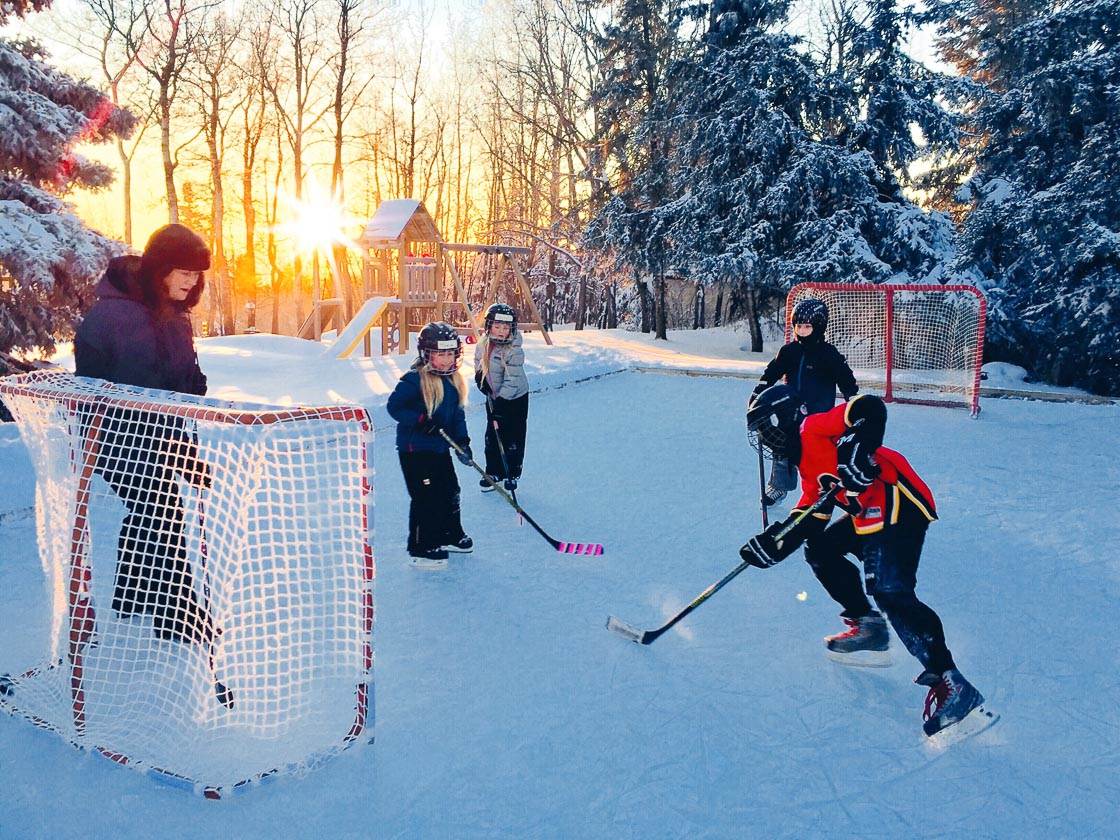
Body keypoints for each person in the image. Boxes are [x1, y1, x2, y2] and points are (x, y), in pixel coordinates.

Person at [739, 385, 991, 740]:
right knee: (821, 549)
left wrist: (857, 444)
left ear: (784, 417)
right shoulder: (809, 471)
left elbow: (869, 407)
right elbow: (810, 516)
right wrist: (774, 544)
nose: (764, 439)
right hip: (871, 515)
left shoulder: (813, 427)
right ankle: (867, 625)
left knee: (889, 589)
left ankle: (952, 681)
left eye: (766, 428)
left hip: (898, 497)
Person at [74, 225, 222, 677]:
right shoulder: (112, 315)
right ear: (159, 269)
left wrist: (192, 398)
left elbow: (178, 380)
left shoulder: (175, 313)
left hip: (164, 432)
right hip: (117, 434)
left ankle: (132, 597)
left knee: (150, 511)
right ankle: (177, 616)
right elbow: (97, 379)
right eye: (183, 272)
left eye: (197, 275)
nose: (191, 283)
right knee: (162, 510)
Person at [752, 298, 859, 507]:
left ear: (819, 327)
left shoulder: (828, 354)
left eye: (807, 326)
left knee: (811, 455)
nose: (801, 330)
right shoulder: (789, 351)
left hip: (818, 414)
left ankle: (820, 486)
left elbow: (845, 377)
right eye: (798, 326)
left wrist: (853, 399)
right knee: (782, 446)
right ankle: (779, 487)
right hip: (789, 410)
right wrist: (761, 388)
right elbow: (773, 370)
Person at [387, 321, 475, 569]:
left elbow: (458, 416)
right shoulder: (414, 380)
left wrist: (463, 443)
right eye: (440, 354)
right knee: (426, 497)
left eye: (450, 354)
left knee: (450, 491)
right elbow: (394, 407)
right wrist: (420, 420)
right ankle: (421, 547)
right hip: (415, 451)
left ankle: (448, 534)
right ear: (427, 354)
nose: (446, 360)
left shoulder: (454, 380)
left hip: (439, 449)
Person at [473, 303, 530, 492]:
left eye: (505, 328)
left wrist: (502, 403)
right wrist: (480, 379)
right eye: (497, 327)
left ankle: (511, 472)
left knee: (512, 436)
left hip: (514, 399)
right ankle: (494, 472)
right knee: (493, 434)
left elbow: (513, 378)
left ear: (511, 329)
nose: (501, 332)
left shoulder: (513, 349)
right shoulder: (483, 343)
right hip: (494, 396)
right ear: (489, 326)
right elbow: (478, 363)